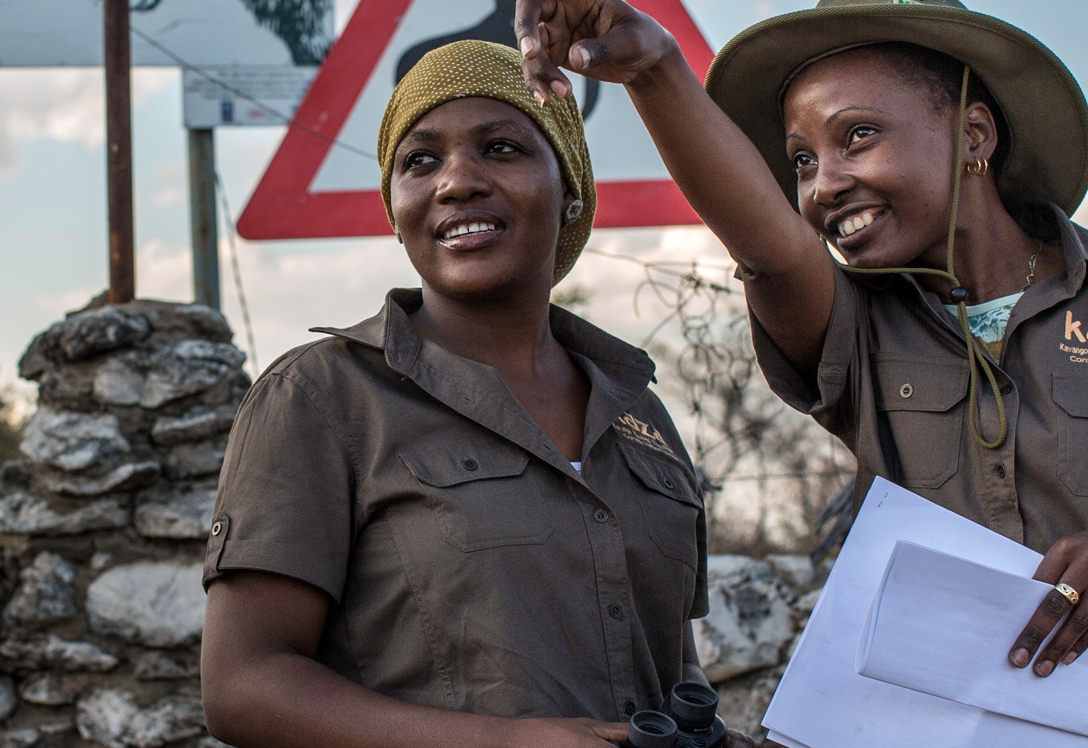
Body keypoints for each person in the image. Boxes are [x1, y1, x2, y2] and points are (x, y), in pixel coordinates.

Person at [502, 0, 1088, 747]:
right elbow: (765, 244)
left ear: (974, 135)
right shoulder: (857, 328)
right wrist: (654, 71)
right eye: (800, 160)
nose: (825, 184)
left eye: (858, 135)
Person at [200, 40, 743, 748]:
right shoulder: (321, 397)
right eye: (419, 160)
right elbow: (244, 687)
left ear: (570, 183)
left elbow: (672, 667)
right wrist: (504, 743)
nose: (457, 181)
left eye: (501, 147)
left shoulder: (638, 410)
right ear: (395, 209)